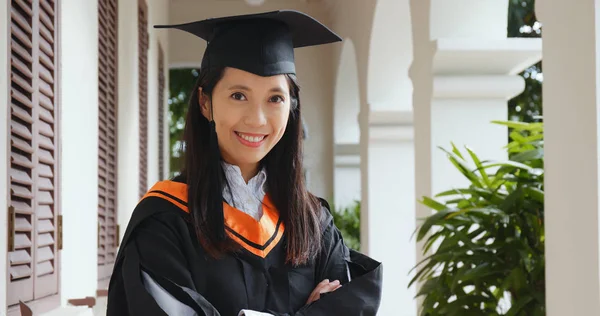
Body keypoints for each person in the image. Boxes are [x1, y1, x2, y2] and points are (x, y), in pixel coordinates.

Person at [106, 10, 382, 316]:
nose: (257, 119)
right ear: (205, 102)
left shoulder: (314, 222)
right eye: (239, 95)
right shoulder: (164, 220)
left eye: (275, 98)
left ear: (291, 107)